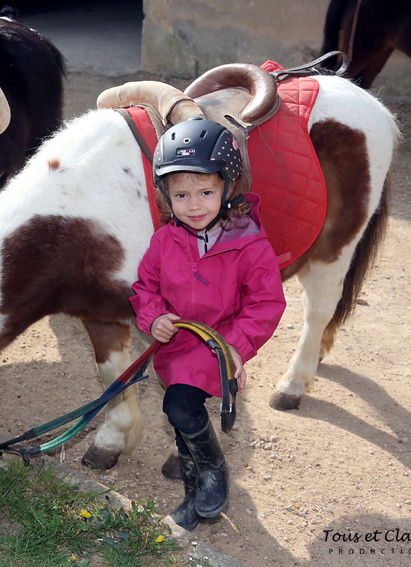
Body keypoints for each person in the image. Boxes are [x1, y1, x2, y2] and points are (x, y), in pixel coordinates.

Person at [130, 118, 286, 531]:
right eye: (181, 195)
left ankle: (211, 472)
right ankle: (197, 481)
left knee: (179, 405)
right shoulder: (165, 240)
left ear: (227, 189)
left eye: (205, 192)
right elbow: (145, 287)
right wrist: (154, 315)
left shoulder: (250, 244)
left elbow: (266, 302)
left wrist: (235, 345)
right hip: (176, 345)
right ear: (166, 195)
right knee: (183, 413)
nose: (194, 205)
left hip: (218, 344)